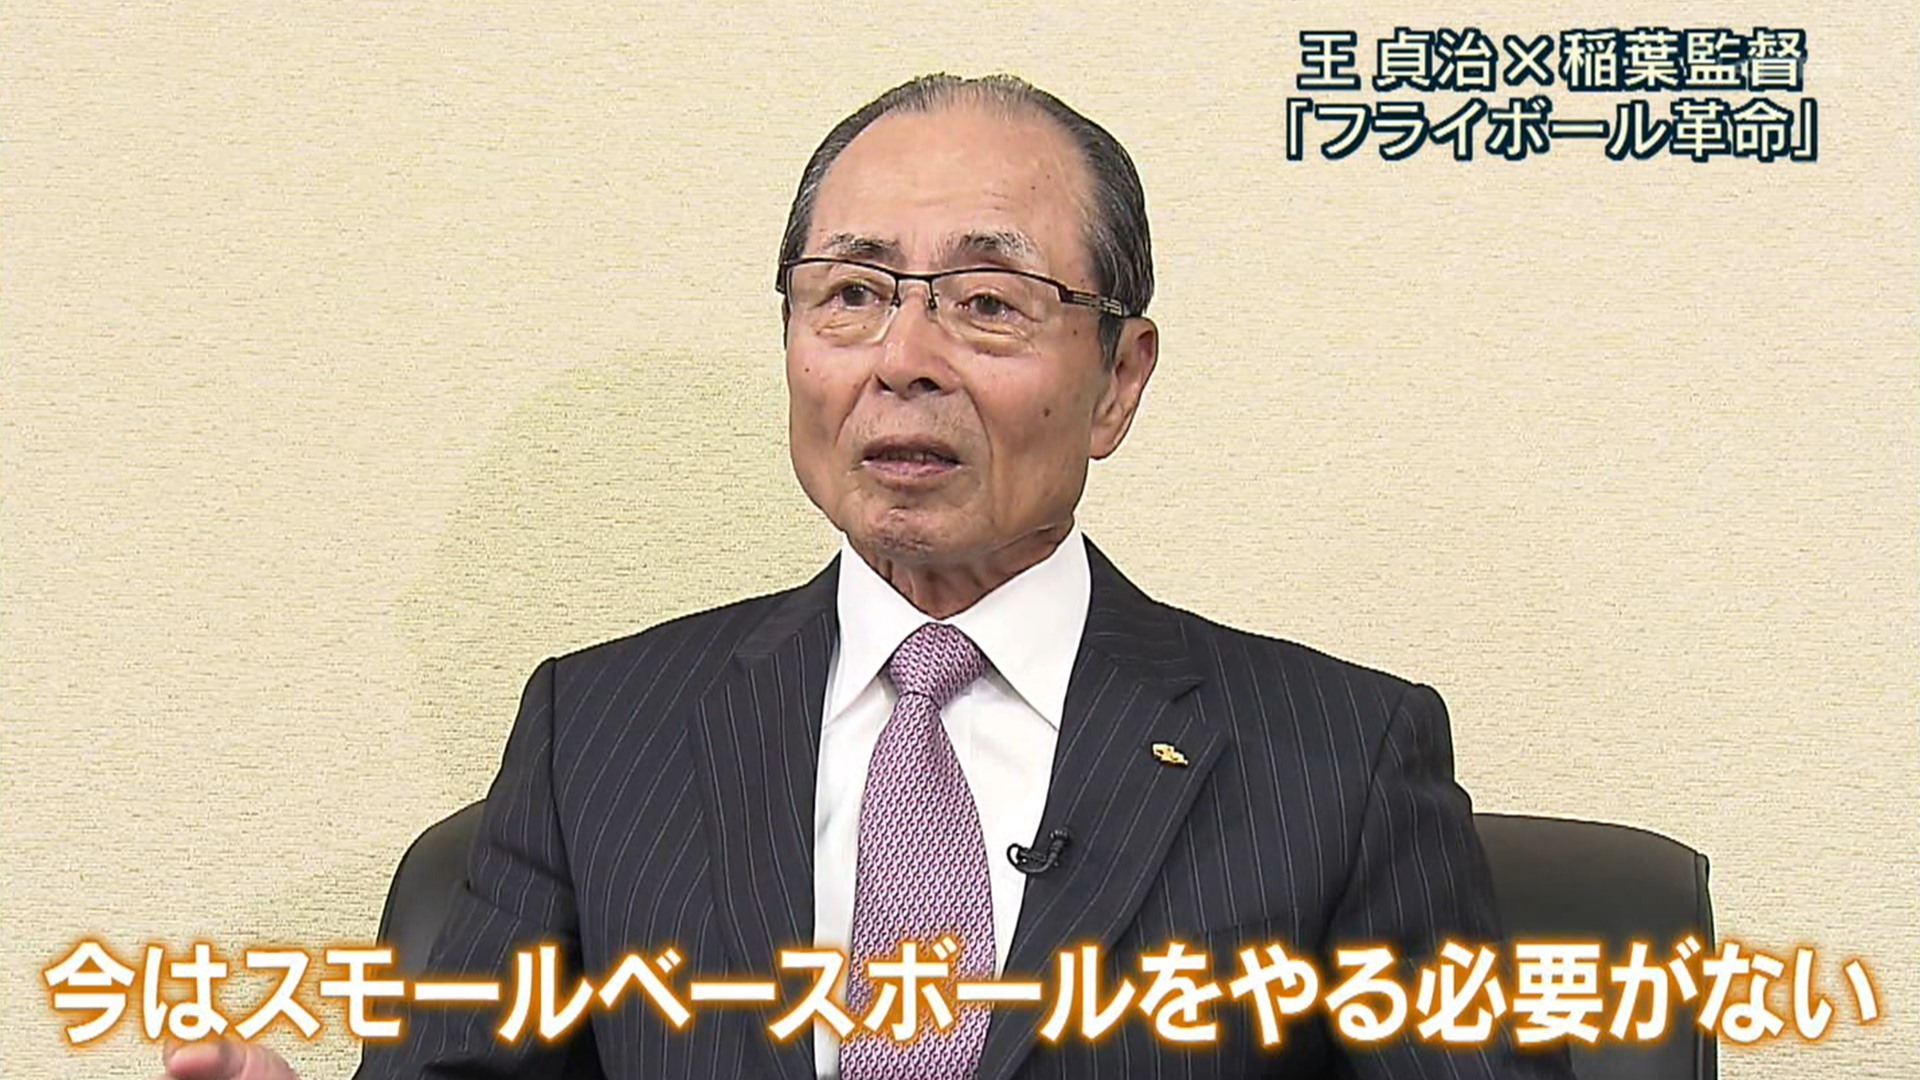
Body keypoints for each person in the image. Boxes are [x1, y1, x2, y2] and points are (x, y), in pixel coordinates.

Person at [162, 74, 1574, 1080]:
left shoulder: (1338, 755)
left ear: (1117, 381)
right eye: (850, 294)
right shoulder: (598, 732)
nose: (904, 359)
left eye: (989, 302)